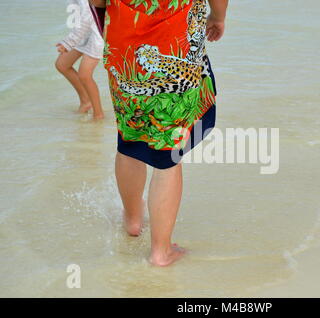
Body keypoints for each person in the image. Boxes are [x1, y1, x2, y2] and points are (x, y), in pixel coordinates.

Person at [90, 0, 228, 266]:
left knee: (130, 139)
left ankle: (132, 220)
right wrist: (218, 16)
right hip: (174, 38)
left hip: (125, 45)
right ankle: (160, 252)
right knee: (167, 157)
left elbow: (97, 1)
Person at [56, 0, 105, 120]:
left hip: (98, 32)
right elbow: (78, 16)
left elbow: (87, 18)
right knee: (62, 64)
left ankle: (98, 114)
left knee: (85, 75)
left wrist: (68, 42)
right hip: (84, 33)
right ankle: (85, 101)